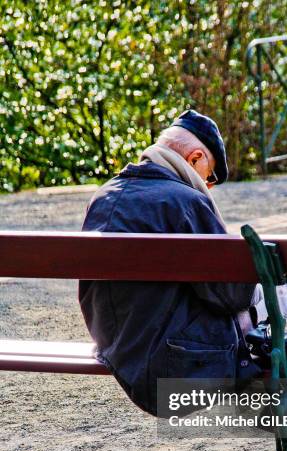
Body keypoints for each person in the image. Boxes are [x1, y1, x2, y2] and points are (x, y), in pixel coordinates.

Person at [79, 110, 260, 417]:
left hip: (120, 352)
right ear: (195, 158)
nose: (208, 185)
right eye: (210, 175)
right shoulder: (186, 202)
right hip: (175, 363)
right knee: (283, 301)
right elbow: (233, 295)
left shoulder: (105, 196)